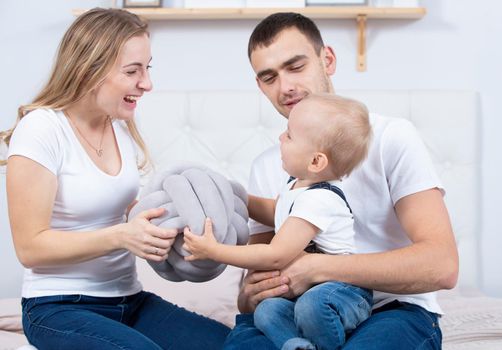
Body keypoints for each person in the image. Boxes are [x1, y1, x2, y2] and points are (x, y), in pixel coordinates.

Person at [223, 12, 459, 350]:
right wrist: (248, 295)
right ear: (260, 85)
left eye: (295, 66)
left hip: (391, 309)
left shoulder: (392, 137)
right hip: (292, 314)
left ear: (327, 60)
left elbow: (442, 266)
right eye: (269, 77)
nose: (285, 86)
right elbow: (256, 286)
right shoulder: (267, 165)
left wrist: (319, 267)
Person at [0, 8, 229, 350]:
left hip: (129, 301)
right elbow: (30, 248)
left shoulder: (118, 126)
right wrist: (122, 236)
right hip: (58, 308)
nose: (147, 83)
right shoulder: (42, 129)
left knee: (235, 344)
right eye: (132, 71)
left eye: (147, 69)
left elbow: (125, 212)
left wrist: (174, 223)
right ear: (88, 70)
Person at [184, 93, 373, 350]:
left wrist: (214, 251)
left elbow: (275, 255)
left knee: (312, 306)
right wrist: (237, 197)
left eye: (289, 135)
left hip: (343, 294)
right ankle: (295, 345)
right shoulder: (297, 185)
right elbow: (276, 211)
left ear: (316, 161)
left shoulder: (320, 200)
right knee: (266, 310)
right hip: (308, 294)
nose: (280, 138)